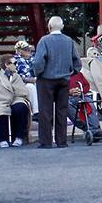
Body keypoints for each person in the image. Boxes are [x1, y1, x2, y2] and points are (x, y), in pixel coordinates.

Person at [31, 16, 81, 149]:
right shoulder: (68, 41)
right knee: (62, 110)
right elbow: (77, 61)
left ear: (49, 27)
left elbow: (38, 62)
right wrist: (72, 72)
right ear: (62, 26)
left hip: (46, 79)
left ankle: (46, 142)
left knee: (45, 111)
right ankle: (62, 141)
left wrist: (38, 73)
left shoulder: (44, 40)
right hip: (64, 79)